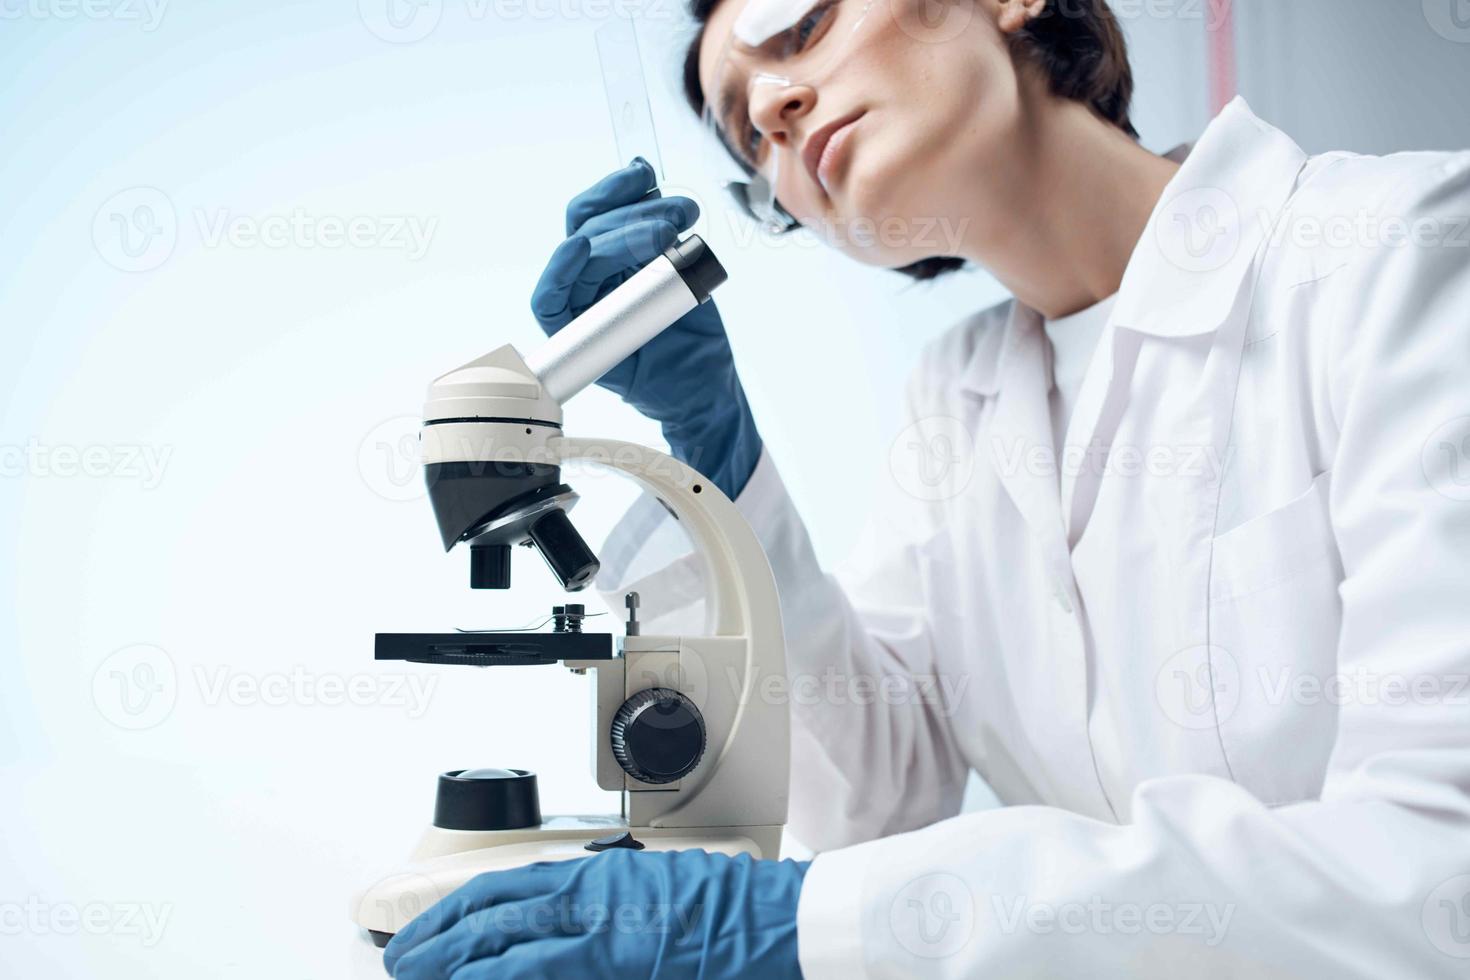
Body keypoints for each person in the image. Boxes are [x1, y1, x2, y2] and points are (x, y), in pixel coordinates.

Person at [382, 0, 1470, 976]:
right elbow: (875, 801)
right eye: (747, 133)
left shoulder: (1399, 252)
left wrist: (799, 924)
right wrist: (715, 456)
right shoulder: (956, 400)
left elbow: (1434, 869)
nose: (776, 105)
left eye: (800, 26)